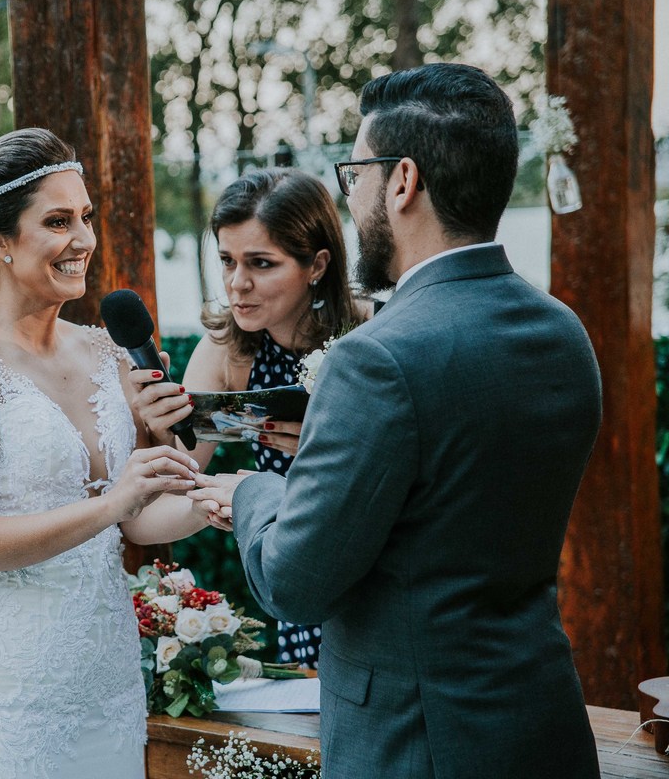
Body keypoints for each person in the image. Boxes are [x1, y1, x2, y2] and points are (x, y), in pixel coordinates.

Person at [194, 63, 603, 777]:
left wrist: (251, 492)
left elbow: (296, 582)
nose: (351, 199)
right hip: (544, 723)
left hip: (416, 744)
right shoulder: (562, 332)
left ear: (403, 181)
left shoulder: (375, 359)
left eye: (356, 175)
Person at [0, 127, 214, 779]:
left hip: (103, 676)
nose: (83, 239)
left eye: (85, 216)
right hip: (3, 685)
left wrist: (212, 500)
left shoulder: (107, 351)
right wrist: (113, 504)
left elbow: (138, 519)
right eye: (57, 222)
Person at [129, 168, 361, 667]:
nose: (238, 284)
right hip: (295, 570)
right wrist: (160, 430)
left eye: (261, 263)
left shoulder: (371, 331)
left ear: (317, 265)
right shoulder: (229, 351)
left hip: (373, 566)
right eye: (227, 261)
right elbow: (161, 500)